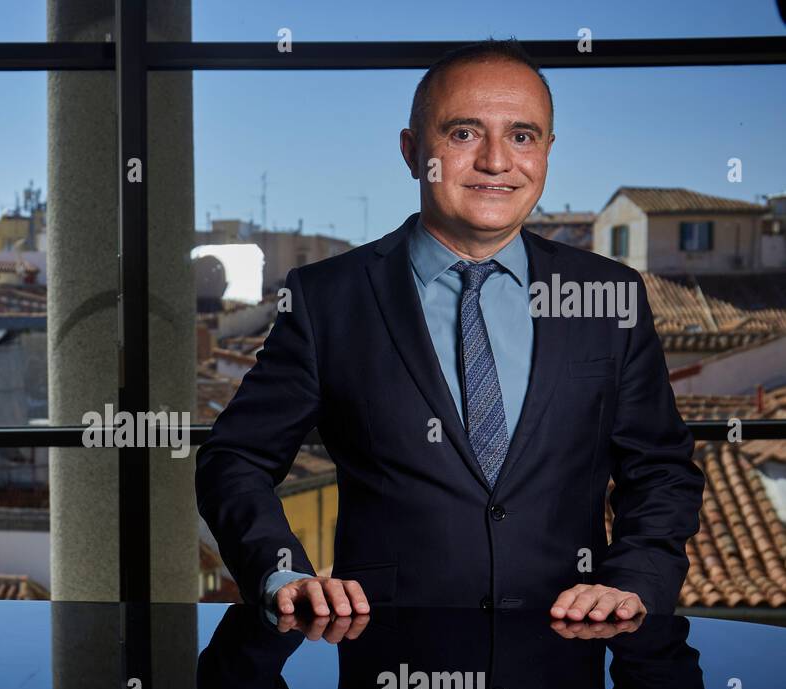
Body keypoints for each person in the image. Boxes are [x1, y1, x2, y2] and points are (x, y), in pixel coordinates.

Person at [195, 39, 704, 623]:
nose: (495, 161)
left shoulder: (609, 294)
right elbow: (234, 460)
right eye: (463, 134)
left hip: (566, 658)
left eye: (522, 135)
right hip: (389, 657)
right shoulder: (327, 299)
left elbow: (660, 469)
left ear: (547, 152)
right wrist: (283, 571)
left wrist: (635, 578)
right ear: (413, 152)